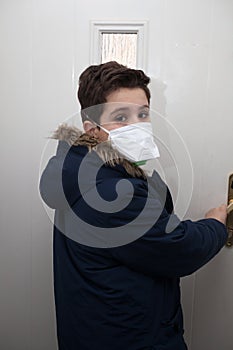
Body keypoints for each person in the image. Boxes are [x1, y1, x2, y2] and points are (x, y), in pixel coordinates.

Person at [39, 61, 228, 350]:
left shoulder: (81, 170)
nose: (138, 125)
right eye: (121, 117)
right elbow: (178, 249)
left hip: (99, 329)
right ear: (93, 130)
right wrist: (215, 224)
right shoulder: (107, 191)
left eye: (143, 114)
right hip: (129, 338)